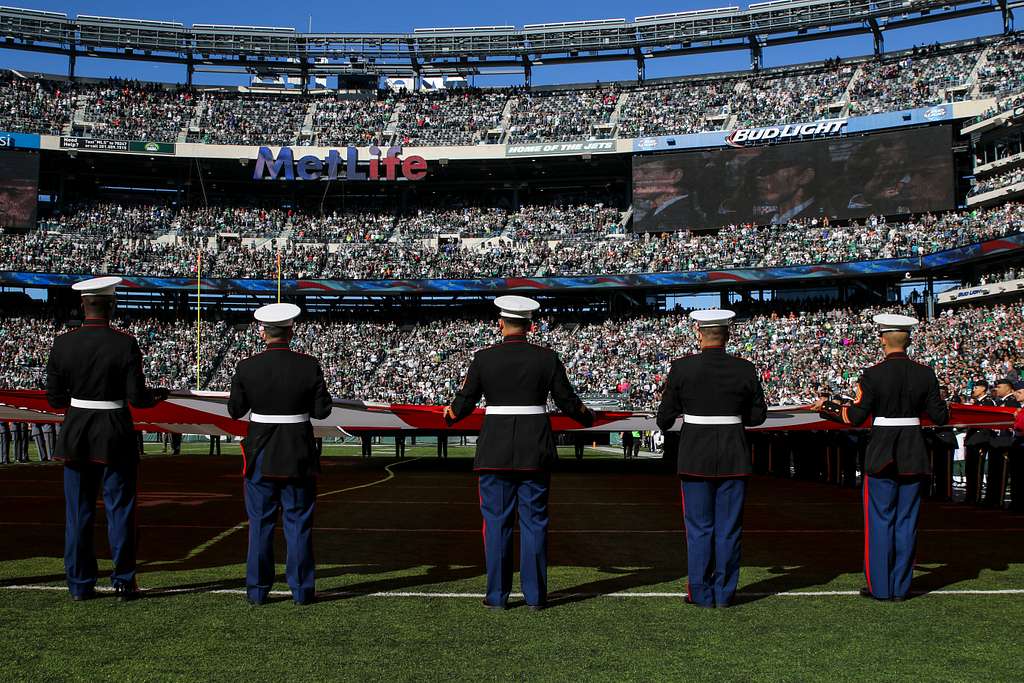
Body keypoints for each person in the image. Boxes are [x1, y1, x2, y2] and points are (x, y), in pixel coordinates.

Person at [445, 295, 594, 610]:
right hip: (534, 449)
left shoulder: (483, 358)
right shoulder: (547, 358)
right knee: (535, 522)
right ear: (531, 326)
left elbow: (465, 401)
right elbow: (568, 402)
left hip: (495, 450)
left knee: (496, 524)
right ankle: (536, 596)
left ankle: (497, 596)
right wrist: (589, 417)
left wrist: (451, 414)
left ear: (501, 323)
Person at [45, 276, 168, 602]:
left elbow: (55, 401)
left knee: (78, 514)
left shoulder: (62, 344)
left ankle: (79, 584)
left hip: (76, 434)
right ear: (111, 305)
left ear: (83, 305)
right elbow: (137, 398)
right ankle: (125, 580)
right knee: (121, 510)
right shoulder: (124, 343)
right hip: (114, 432)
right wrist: (158, 396)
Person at [816, 314, 949, 602]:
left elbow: (856, 416)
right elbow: (941, 416)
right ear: (909, 340)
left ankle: (881, 587)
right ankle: (901, 587)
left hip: (881, 454)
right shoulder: (925, 374)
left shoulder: (872, 374)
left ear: (882, 340)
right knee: (907, 522)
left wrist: (827, 407)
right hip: (913, 452)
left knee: (879, 522)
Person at [657, 309, 767, 609]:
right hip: (734, 455)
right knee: (729, 528)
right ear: (728, 335)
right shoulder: (744, 369)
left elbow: (664, 419)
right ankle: (724, 593)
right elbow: (758, 416)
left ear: (698, 333)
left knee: (699, 529)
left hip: (695, 456)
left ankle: (700, 593)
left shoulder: (682, 368)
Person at [228, 302, 332, 606]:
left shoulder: (247, 366)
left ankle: (258, 591)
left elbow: (235, 411)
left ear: (263, 333)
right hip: (298, 452)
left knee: (259, 524)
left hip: (261, 452)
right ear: (291, 330)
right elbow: (322, 411)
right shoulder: (308, 364)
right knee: (298, 522)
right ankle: (302, 591)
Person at [984, 378, 1020, 507]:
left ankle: (998, 500)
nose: (996, 389)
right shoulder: (1000, 402)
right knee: (993, 472)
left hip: (1005, 442)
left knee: (1002, 472)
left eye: (999, 387)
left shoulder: (1013, 403)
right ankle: (992, 499)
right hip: (996, 441)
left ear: (1009, 388)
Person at [963, 380, 994, 505]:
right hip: (972, 440)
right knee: (970, 470)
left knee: (977, 470)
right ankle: (970, 496)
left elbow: (988, 422)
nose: (973, 389)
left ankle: (975, 497)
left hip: (980, 440)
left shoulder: (987, 402)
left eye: (976, 387)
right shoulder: (977, 403)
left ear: (983, 388)